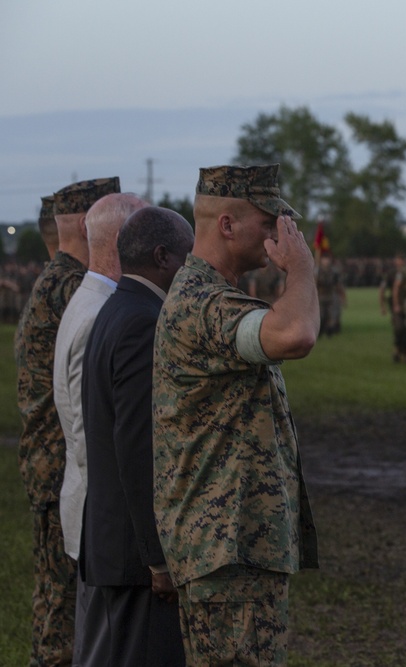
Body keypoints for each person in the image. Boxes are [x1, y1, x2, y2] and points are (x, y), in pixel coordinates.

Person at [152, 164, 319, 665]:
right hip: (226, 549)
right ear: (227, 226)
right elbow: (296, 335)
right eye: (269, 224)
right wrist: (302, 268)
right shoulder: (199, 303)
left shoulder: (211, 297)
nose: (280, 235)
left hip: (232, 545)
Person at [81, 207, 193, 666]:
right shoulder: (144, 322)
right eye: (188, 258)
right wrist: (159, 559)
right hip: (136, 556)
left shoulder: (116, 308)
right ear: (163, 257)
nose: (193, 270)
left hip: (115, 542)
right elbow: (138, 446)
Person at [15, 177, 119, 667]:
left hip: (48, 459)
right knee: (62, 611)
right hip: (62, 461)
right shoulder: (73, 286)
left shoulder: (54, 280)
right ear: (85, 223)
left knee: (54, 601)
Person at [53, 192, 146, 664]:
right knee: (106, 649)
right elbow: (95, 435)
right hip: (104, 517)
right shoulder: (100, 314)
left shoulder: (91, 299)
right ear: (126, 240)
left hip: (94, 511)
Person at [316, 251, 347, 336]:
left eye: (327, 259)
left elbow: (339, 286)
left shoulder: (334, 272)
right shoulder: (316, 272)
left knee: (332, 316)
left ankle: (329, 332)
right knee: (321, 316)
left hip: (331, 296)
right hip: (320, 296)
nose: (326, 261)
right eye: (324, 259)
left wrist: (343, 298)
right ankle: (320, 331)